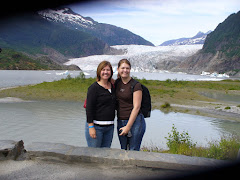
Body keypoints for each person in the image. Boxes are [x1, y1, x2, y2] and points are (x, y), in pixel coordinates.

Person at [115, 59, 146, 151]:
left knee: (133, 150)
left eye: (127, 68)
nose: (125, 70)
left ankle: (134, 165)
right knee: (123, 149)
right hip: (121, 120)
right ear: (118, 69)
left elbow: (136, 107)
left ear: (130, 69)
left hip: (136, 121)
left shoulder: (136, 85)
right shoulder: (117, 83)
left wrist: (128, 127)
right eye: (122, 68)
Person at [85, 61, 116, 148]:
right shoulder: (94, 88)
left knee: (105, 155)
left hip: (109, 127)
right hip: (96, 127)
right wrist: (91, 127)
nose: (105, 72)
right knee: (94, 155)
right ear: (99, 71)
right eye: (103, 70)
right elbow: (89, 108)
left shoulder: (113, 86)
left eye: (108, 70)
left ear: (111, 72)